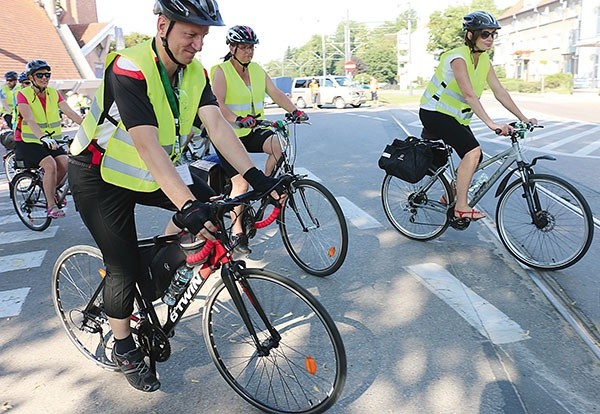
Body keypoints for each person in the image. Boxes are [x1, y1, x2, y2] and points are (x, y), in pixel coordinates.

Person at [68, 0, 282, 392]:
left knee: (213, 216)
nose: (198, 44)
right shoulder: (129, 67)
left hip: (146, 173)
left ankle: (157, 274)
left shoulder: (194, 73)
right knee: (122, 266)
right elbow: (148, 146)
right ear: (162, 26)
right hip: (97, 175)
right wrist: (186, 206)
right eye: (190, 33)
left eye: (203, 35)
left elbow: (217, 127)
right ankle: (123, 345)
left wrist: (256, 178)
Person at [419, 11, 537, 221]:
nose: (490, 39)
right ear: (470, 35)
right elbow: (469, 95)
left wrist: (524, 118)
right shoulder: (457, 58)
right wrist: (492, 124)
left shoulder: (484, 62)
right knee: (473, 151)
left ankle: (450, 196)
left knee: (475, 156)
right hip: (434, 113)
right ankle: (461, 207)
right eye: (485, 34)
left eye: (493, 35)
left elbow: (500, 92)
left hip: (455, 117)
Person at [210, 24, 307, 254]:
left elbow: (276, 93)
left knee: (278, 145)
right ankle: (237, 233)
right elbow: (217, 104)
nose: (249, 52)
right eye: (244, 47)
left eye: (251, 48)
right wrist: (238, 119)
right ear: (232, 48)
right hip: (228, 134)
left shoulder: (256, 70)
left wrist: (295, 111)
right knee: (240, 182)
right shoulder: (221, 71)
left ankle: (263, 187)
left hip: (251, 131)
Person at [14, 60, 83, 218]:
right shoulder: (23, 94)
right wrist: (43, 137)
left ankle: (50, 190)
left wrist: (90, 127)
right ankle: (51, 205)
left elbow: (70, 113)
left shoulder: (53, 92)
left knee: (66, 164)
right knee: (50, 165)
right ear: (31, 77)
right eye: (40, 75)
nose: (45, 78)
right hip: (28, 141)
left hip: (50, 140)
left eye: (47, 74)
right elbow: (30, 120)